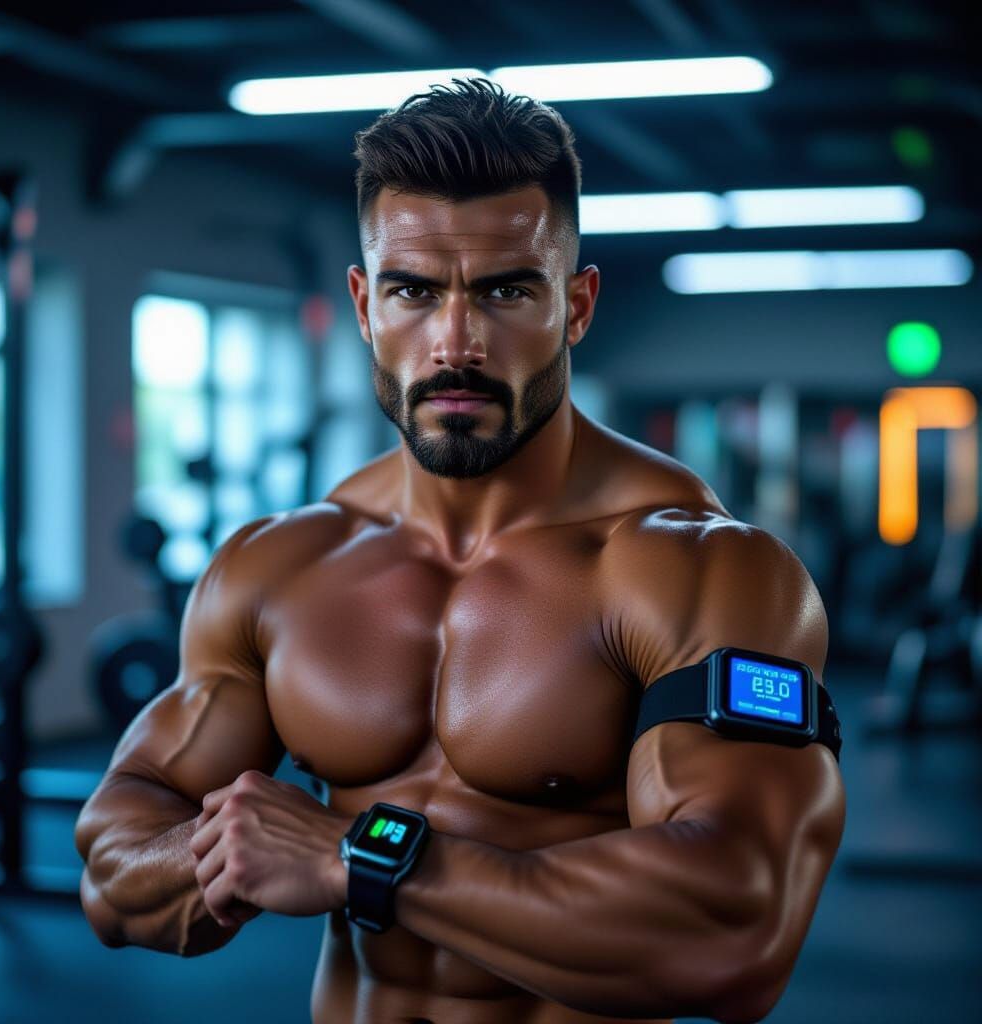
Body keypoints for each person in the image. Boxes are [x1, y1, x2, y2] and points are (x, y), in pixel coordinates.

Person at [75, 78, 845, 1024]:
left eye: (506, 290)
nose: (455, 342)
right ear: (364, 304)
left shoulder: (699, 571)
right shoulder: (279, 568)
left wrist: (351, 855)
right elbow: (114, 875)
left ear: (578, 304)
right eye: (413, 291)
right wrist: (219, 858)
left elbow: (738, 930)